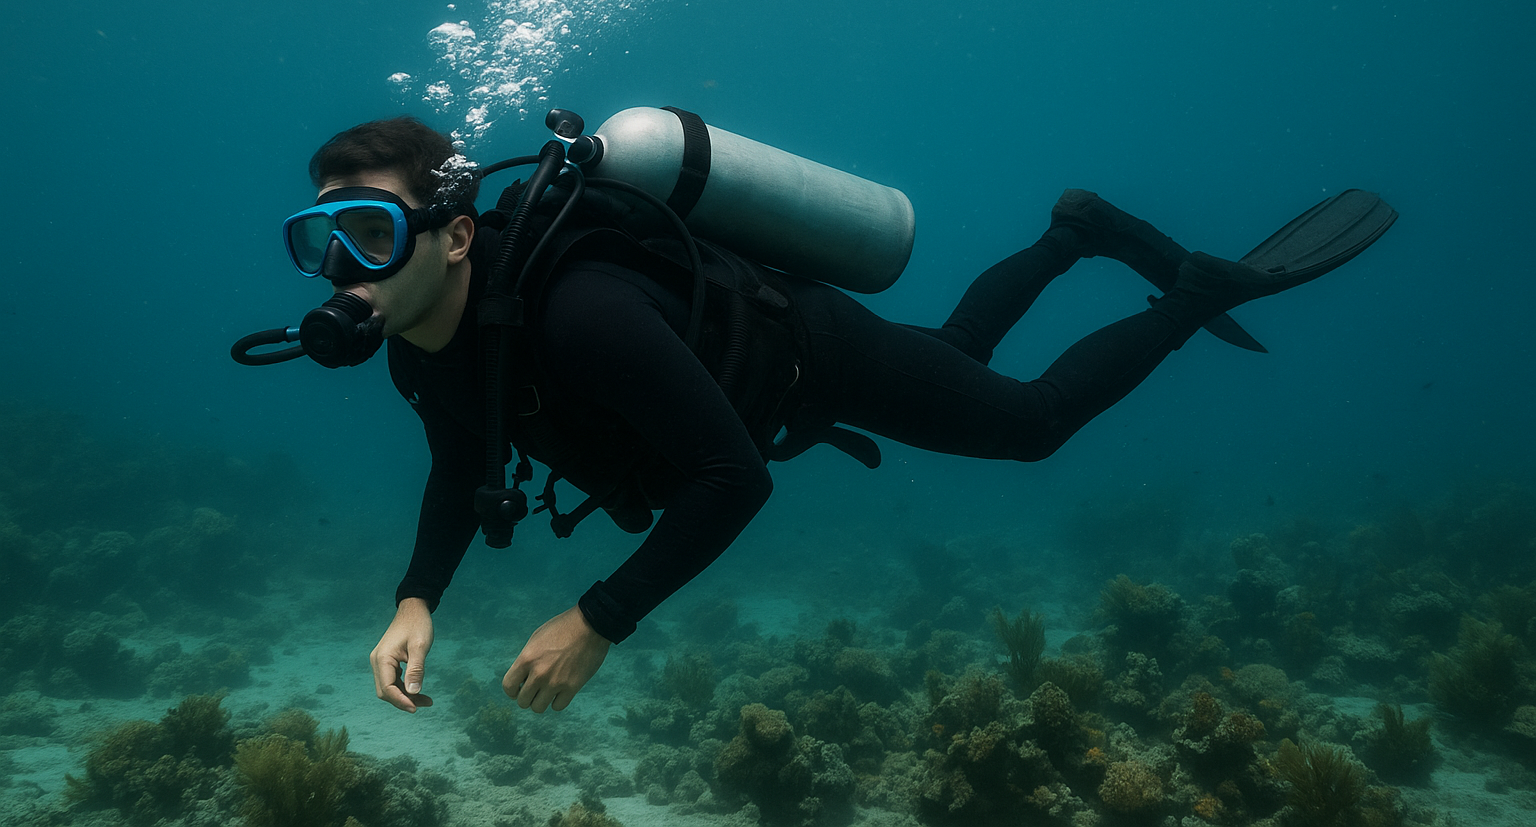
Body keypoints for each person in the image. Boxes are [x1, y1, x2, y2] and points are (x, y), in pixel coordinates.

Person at [276, 114, 1392, 716]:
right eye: (319, 240)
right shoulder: (421, 347)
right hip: (782, 370)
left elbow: (732, 478)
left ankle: (1194, 291)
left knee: (1031, 422)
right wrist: (417, 598)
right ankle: (1074, 231)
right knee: (952, 355)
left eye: (371, 234)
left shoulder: (581, 317)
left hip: (818, 356)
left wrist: (599, 619)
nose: (341, 270)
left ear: (455, 237)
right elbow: (458, 459)